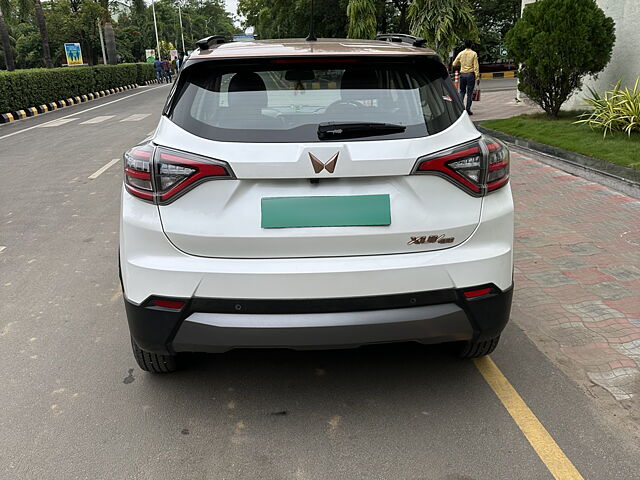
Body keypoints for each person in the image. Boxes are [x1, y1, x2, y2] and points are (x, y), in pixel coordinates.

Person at [452, 40, 480, 115]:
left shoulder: (461, 53)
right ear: (471, 45)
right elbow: (476, 67)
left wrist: (461, 64)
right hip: (470, 74)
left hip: (462, 74)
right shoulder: (474, 53)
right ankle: (468, 109)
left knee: (462, 92)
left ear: (464, 45)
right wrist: (477, 77)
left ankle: (460, 109)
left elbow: (454, 64)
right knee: (469, 93)